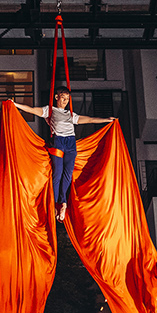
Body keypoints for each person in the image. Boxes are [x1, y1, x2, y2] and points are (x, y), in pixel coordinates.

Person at [11, 89, 115, 221]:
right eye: (63, 97)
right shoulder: (50, 110)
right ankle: (54, 203)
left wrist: (106, 120)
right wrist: (15, 105)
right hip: (58, 142)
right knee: (58, 173)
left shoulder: (70, 115)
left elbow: (89, 119)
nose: (65, 101)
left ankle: (63, 203)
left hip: (71, 143)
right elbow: (32, 110)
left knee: (68, 174)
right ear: (56, 97)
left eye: (67, 99)